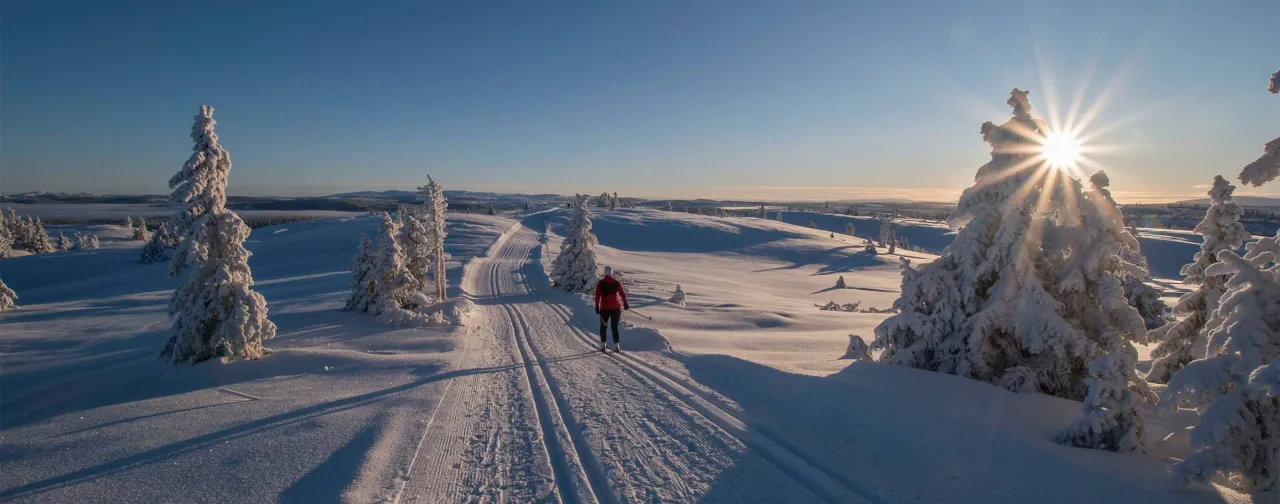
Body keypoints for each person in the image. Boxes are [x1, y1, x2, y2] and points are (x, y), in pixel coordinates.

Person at [594, 266, 629, 352]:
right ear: (612, 273)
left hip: (604, 308)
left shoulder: (601, 283)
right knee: (614, 327)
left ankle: (603, 346)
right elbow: (622, 294)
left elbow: (597, 296)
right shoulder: (616, 282)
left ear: (605, 273)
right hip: (616, 308)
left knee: (603, 327)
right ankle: (617, 346)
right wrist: (625, 303)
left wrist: (596, 306)